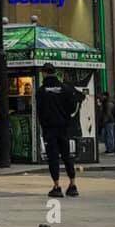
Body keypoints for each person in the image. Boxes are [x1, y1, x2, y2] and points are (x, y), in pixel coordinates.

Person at [36, 64, 84, 197]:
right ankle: (72, 184)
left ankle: (57, 185)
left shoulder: (41, 91)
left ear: (44, 73)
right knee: (66, 155)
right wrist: (65, 117)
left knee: (53, 157)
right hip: (63, 127)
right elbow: (73, 106)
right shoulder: (65, 89)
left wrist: (44, 123)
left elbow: (39, 111)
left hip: (49, 128)